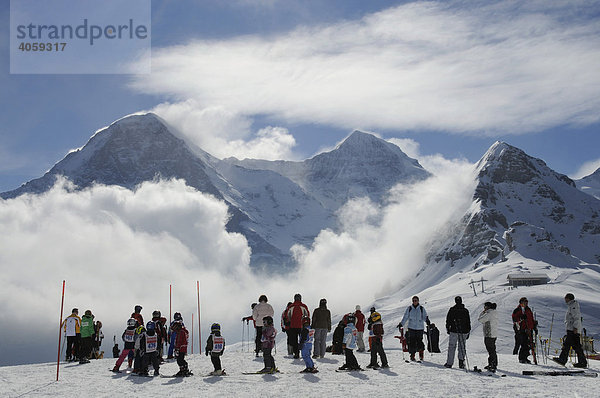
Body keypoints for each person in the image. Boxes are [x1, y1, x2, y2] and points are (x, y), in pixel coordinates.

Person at [553, 293, 588, 368]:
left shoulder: (573, 306)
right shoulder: (572, 305)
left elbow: (576, 317)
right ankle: (582, 362)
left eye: (566, 298)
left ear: (569, 298)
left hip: (572, 329)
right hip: (571, 328)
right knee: (576, 346)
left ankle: (562, 359)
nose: (565, 300)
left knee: (567, 345)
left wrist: (575, 327)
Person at [398, 296, 430, 361]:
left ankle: (421, 355)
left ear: (418, 301)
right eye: (413, 301)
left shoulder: (421, 308)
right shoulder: (409, 308)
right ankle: (412, 356)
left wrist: (427, 321)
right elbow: (406, 316)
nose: (414, 302)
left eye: (416, 300)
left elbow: (424, 316)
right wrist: (401, 323)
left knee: (419, 341)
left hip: (420, 328)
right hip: (411, 327)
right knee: (412, 342)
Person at [444, 296, 471, 369]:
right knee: (462, 347)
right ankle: (461, 362)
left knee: (452, 346)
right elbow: (468, 322)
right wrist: (468, 331)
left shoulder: (452, 309)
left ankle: (449, 363)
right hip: (463, 331)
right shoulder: (465, 310)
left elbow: (448, 320)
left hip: (454, 330)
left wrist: (448, 328)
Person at [511, 297, 536, 364]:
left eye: (526, 302)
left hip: (529, 329)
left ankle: (525, 357)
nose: (526, 303)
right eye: (524, 302)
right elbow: (514, 319)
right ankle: (522, 358)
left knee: (529, 344)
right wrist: (521, 318)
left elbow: (531, 319)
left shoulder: (528, 310)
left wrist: (534, 326)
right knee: (524, 344)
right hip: (521, 329)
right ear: (521, 302)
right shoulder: (517, 310)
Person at [287, 294, 310, 359]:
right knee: (303, 339)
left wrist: (290, 321)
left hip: (293, 325)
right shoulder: (304, 306)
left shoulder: (291, 306)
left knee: (294, 340)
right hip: (301, 325)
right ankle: (304, 352)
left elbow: (288, 316)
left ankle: (296, 353)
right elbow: (307, 315)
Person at [478, 302, 498, 372]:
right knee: (492, 349)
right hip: (494, 334)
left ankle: (492, 364)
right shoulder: (494, 313)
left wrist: (483, 312)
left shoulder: (488, 314)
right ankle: (493, 363)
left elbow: (480, 319)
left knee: (490, 350)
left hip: (489, 334)